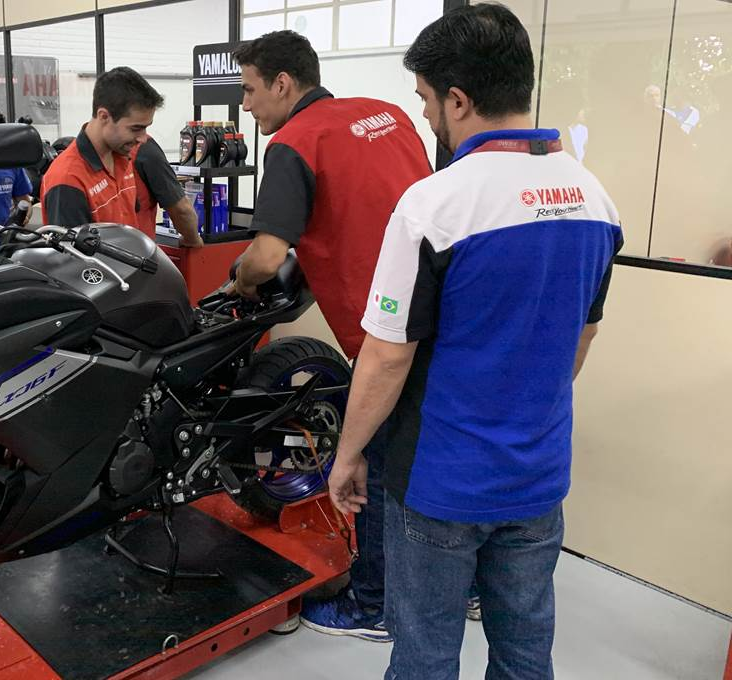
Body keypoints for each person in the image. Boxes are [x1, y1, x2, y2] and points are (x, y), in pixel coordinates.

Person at [325, 5, 623, 679]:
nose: (426, 114)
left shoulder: (435, 205)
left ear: (458, 100)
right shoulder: (594, 198)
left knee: (426, 656)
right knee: (525, 652)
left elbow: (386, 356)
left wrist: (347, 455)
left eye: (426, 99)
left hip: (441, 483)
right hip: (538, 476)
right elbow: (582, 335)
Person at [227, 30, 432, 641]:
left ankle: (371, 604)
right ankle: (463, 588)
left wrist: (239, 282)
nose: (245, 105)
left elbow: (267, 256)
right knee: (428, 458)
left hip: (384, 332)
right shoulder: (388, 114)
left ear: (283, 83)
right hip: (441, 311)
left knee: (375, 462)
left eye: (249, 90)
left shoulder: (294, 142)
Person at [40, 67, 202, 248]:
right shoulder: (68, 181)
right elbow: (71, 260)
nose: (143, 138)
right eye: (136, 128)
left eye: (146, 127)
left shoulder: (124, 153)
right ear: (104, 116)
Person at [132, 136, 202, 247]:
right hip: (138, 249)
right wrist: (193, 239)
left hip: (106, 250)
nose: (142, 134)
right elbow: (182, 210)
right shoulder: (144, 148)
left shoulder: (104, 150)